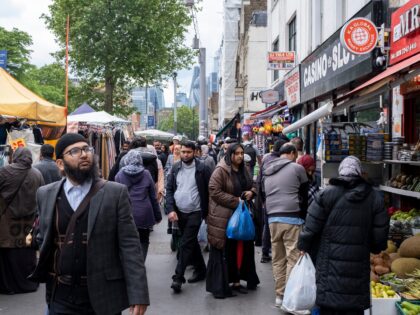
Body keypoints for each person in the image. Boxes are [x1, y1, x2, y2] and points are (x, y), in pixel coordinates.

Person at [29, 133, 149, 315]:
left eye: (87, 149)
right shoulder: (45, 194)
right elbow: (44, 235)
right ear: (60, 164)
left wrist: (138, 293)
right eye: (74, 151)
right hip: (60, 296)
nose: (84, 154)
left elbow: (130, 246)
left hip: (103, 297)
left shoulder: (115, 193)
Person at [298, 156, 389, 315]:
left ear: (341, 172)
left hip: (328, 263)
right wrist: (374, 247)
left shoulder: (326, 194)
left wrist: (303, 246)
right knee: (353, 308)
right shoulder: (374, 197)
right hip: (358, 265)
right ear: (359, 172)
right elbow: (379, 239)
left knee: (329, 305)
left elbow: (311, 226)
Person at [207, 143, 260, 299]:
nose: (240, 156)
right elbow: (214, 191)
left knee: (240, 248)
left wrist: (252, 192)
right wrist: (236, 200)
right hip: (223, 216)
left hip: (241, 216)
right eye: (236, 153)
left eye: (241, 153)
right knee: (224, 250)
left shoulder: (245, 169)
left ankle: (237, 281)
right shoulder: (220, 170)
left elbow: (254, 184)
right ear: (230, 154)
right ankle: (222, 285)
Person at [261, 143, 308, 307]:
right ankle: (289, 296)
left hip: (272, 218)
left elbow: (263, 194)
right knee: (292, 258)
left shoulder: (267, 169)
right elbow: (304, 194)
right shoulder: (297, 168)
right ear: (292, 153)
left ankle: (279, 296)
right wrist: (304, 217)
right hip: (292, 217)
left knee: (278, 258)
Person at [165, 141, 211, 293]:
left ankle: (178, 278)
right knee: (191, 243)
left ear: (195, 152)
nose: (185, 154)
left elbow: (209, 191)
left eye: (188, 152)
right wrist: (170, 209)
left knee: (185, 244)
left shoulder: (203, 168)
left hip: (196, 211)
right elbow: (170, 189)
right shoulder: (176, 167)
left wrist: (209, 212)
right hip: (180, 212)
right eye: (183, 152)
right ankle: (201, 270)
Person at [0, 148, 44, 294]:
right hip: (28, 221)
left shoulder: (5, 171)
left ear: (15, 156)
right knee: (25, 252)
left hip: (6, 221)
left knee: (7, 254)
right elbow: (42, 196)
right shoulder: (37, 174)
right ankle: (28, 282)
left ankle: (8, 285)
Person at [115, 150, 162, 260]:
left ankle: (131, 263)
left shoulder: (119, 175)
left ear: (126, 161)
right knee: (144, 240)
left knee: (127, 241)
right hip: (144, 213)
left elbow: (115, 198)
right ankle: (141, 261)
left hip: (126, 214)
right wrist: (158, 216)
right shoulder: (146, 174)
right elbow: (153, 197)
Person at [257, 139, 288, 263]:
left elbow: (259, 180)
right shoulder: (284, 161)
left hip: (267, 198)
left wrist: (262, 199)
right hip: (279, 198)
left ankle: (265, 253)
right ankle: (278, 254)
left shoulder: (266, 159)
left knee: (267, 225)